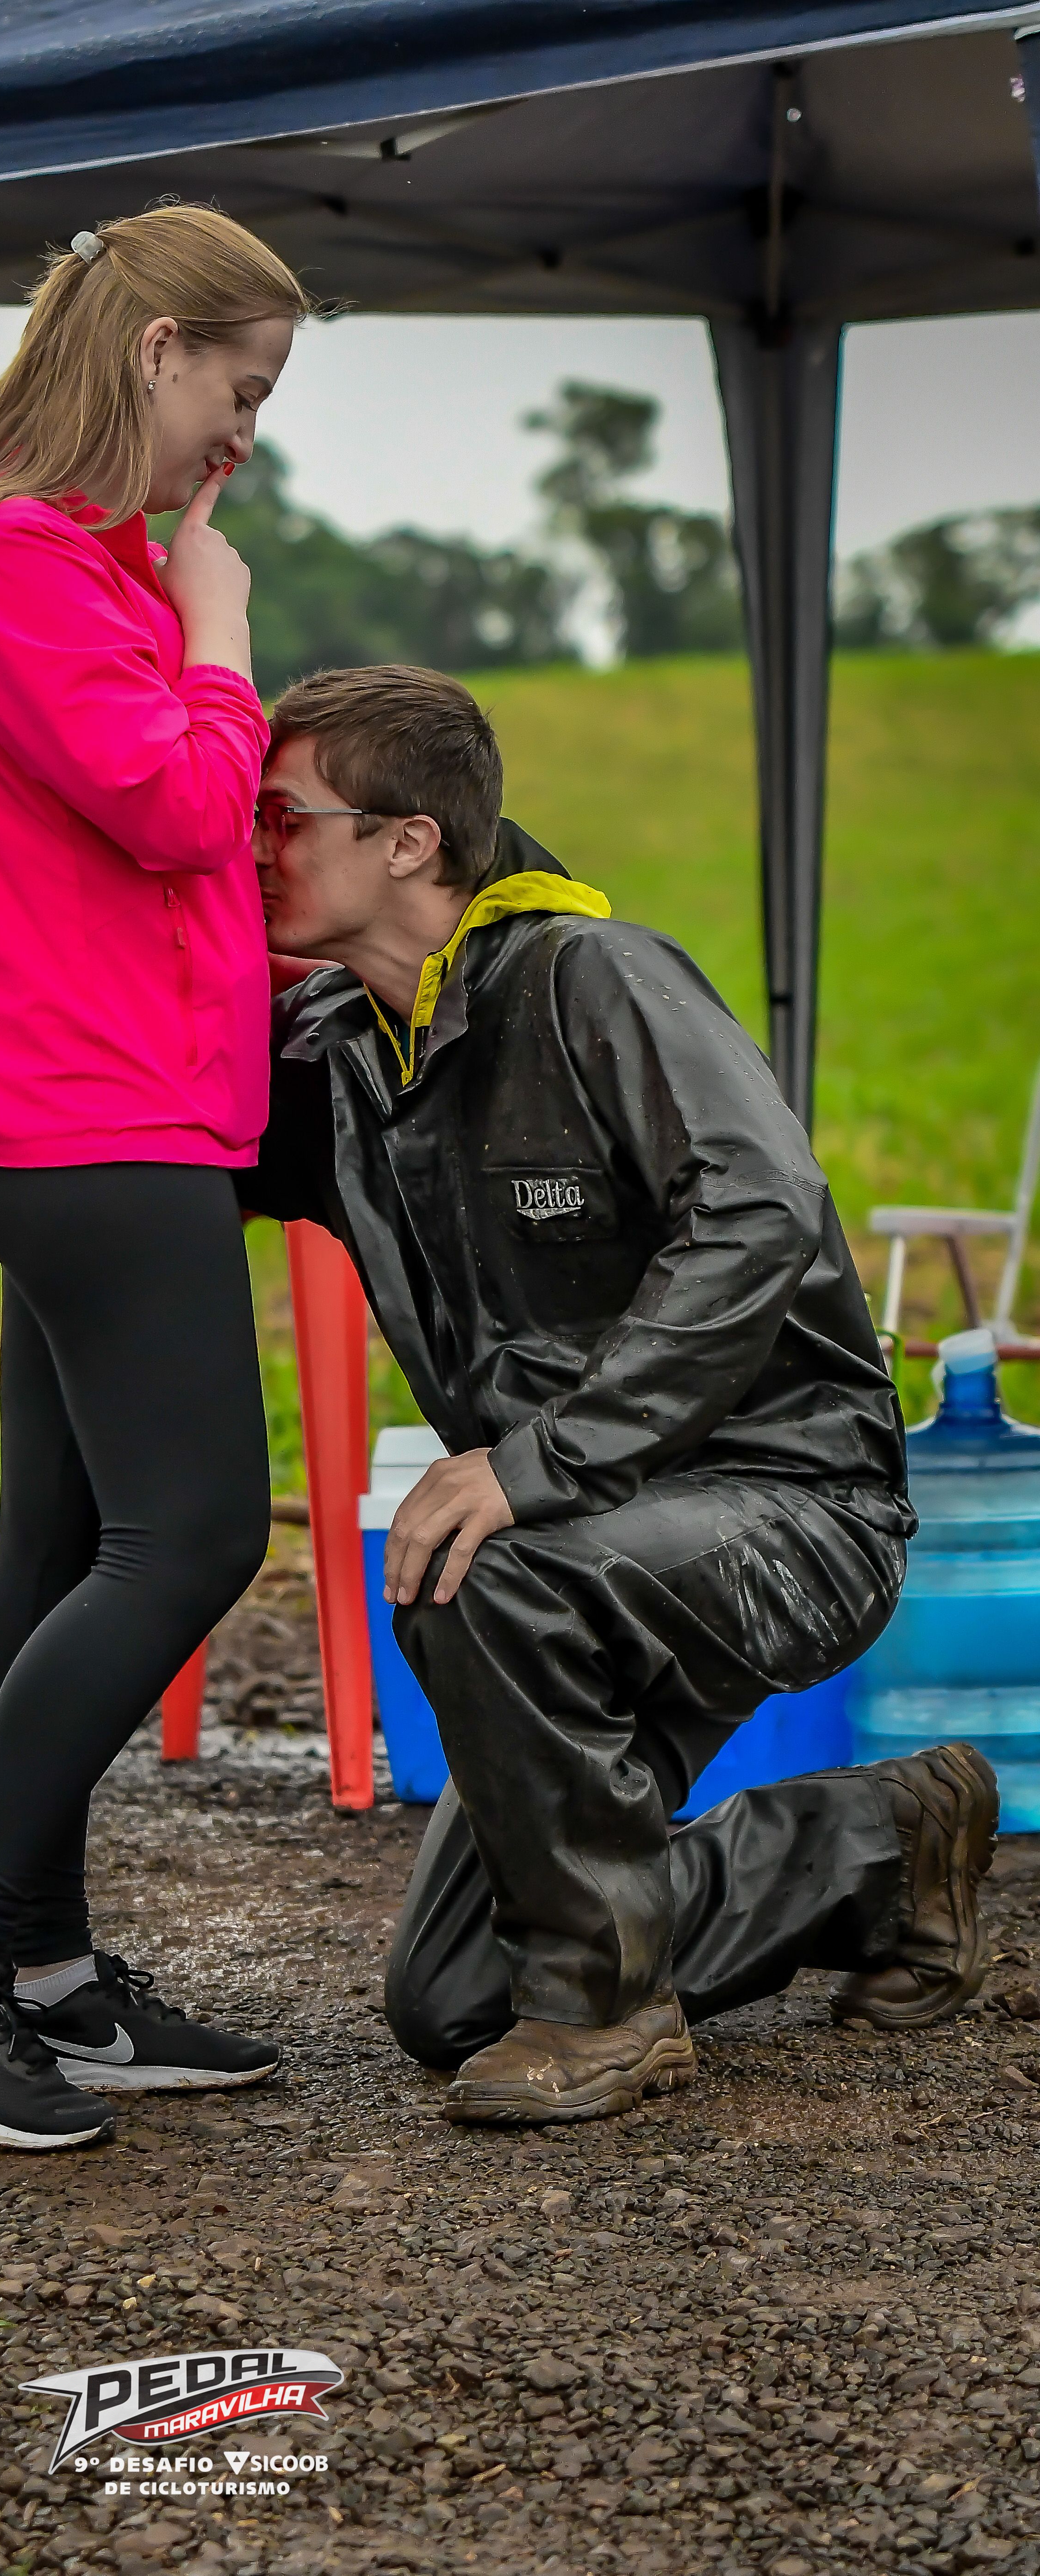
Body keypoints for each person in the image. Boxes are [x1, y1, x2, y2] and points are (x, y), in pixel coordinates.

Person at [231, 661, 997, 2126]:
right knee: (451, 2003)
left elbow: (762, 1209)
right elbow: (159, 1146)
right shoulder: (342, 1052)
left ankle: (609, 2017)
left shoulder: (597, 979)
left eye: (280, 816)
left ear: (408, 840)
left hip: (790, 1503)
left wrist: (540, 1465)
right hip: (592, 1538)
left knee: (476, 1564)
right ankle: (885, 1850)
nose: (250, 847)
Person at [0, 205, 311, 2152]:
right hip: (90, 1115)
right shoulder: (23, 561)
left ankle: (38, 1972)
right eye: (240, 389)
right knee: (192, 1538)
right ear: (156, 348)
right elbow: (180, 803)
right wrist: (223, 631)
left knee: (59, 1545)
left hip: (111, 1098)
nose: (246, 437)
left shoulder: (72, 563)